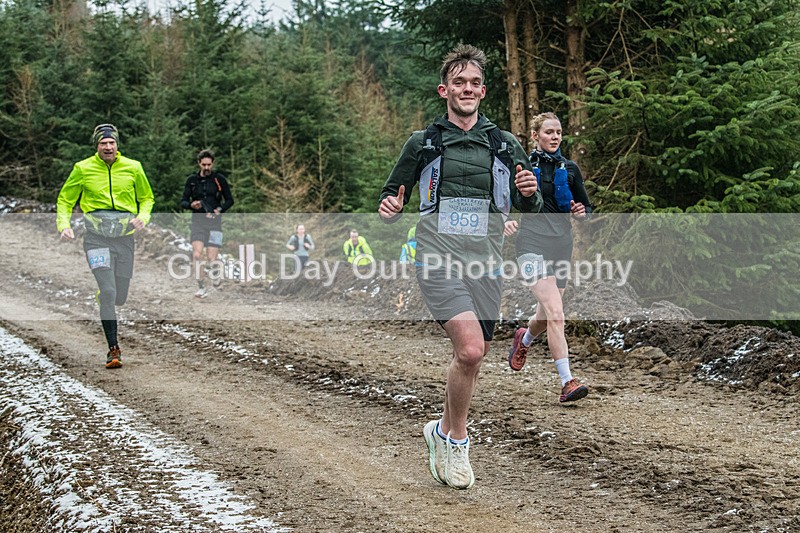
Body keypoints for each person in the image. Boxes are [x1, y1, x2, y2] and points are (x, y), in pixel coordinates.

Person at [378, 44, 541, 490]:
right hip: (437, 259)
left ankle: (441, 432)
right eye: (458, 82)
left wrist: (529, 192)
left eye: (473, 83)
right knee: (470, 350)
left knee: (470, 360)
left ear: (482, 91)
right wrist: (390, 206)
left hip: (486, 265)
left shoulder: (504, 145)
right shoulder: (423, 142)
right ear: (444, 89)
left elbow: (533, 202)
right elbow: (392, 196)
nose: (466, 89)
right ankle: (459, 441)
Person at [508, 111, 593, 403]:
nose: (555, 137)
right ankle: (567, 381)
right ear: (535, 136)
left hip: (561, 245)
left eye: (558, 132)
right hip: (531, 244)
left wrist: (582, 213)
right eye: (548, 132)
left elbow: (585, 207)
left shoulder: (569, 168)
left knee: (545, 316)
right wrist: (505, 219)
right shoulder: (524, 167)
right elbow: (506, 199)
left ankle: (525, 338)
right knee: (556, 313)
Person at [57, 123, 155, 369]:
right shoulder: (83, 168)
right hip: (95, 238)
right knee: (109, 291)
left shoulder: (133, 167)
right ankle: (113, 349)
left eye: (111, 143)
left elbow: (147, 198)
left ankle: (105, 296)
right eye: (103, 143)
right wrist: (64, 225)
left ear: (117, 145)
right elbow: (65, 199)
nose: (108, 147)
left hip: (124, 237)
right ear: (97, 145)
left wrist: (143, 217)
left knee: (119, 296)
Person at [180, 149, 234, 298]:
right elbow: (183, 201)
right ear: (199, 163)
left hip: (215, 223)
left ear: (213, 163)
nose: (206, 168)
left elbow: (229, 200)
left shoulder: (219, 179)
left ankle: (216, 273)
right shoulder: (192, 181)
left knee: (211, 258)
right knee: (197, 255)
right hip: (198, 222)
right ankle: (201, 286)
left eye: (209, 165)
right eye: (204, 165)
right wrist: (191, 205)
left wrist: (220, 209)